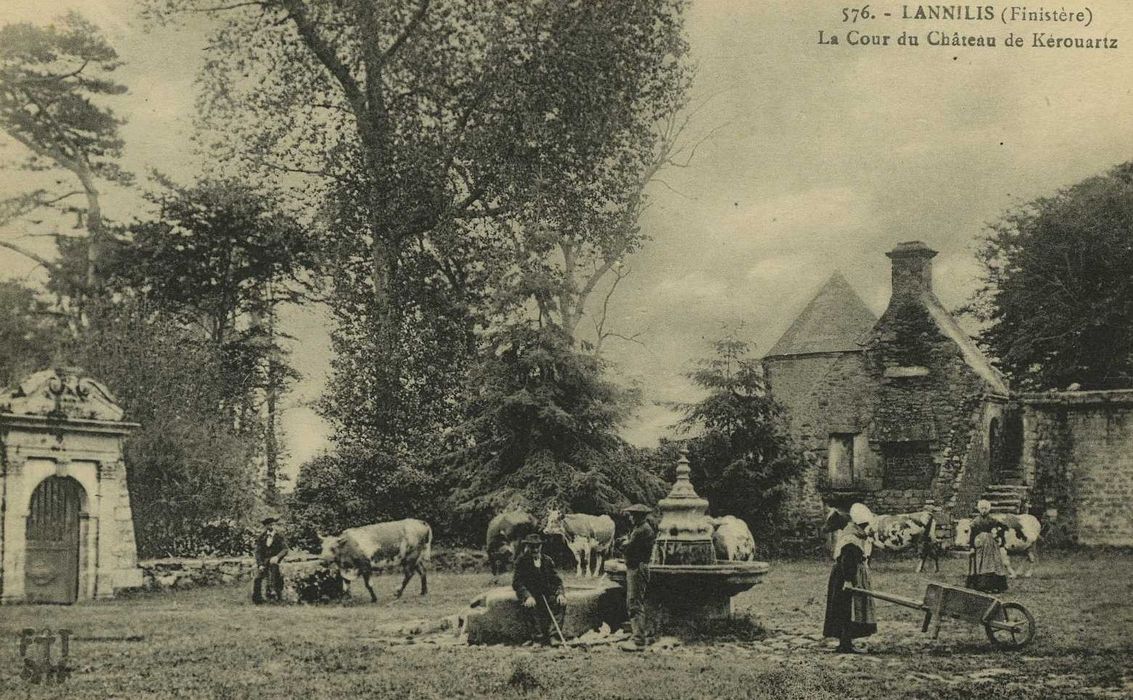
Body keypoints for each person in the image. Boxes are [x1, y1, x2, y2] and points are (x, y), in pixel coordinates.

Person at [823, 503, 877, 654]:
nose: (865, 528)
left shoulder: (853, 534)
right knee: (845, 609)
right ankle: (845, 643)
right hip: (845, 577)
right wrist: (848, 580)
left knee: (845, 609)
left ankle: (845, 642)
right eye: (864, 525)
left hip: (847, 575)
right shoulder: (851, 539)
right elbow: (847, 560)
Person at [512, 534, 567, 646]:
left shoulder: (547, 561)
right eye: (532, 547)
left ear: (541, 546)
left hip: (546, 595)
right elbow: (517, 582)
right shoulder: (521, 562)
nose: (535, 549)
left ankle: (554, 637)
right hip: (531, 595)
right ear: (527, 547)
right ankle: (537, 638)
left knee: (560, 603)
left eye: (538, 546)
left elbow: (557, 581)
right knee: (530, 606)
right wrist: (527, 596)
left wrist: (560, 594)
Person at [620, 503, 656, 652]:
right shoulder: (643, 529)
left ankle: (638, 641)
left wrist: (621, 544)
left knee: (634, 603)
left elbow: (628, 548)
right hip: (639, 567)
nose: (631, 518)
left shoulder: (640, 530)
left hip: (636, 568)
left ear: (638, 516)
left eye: (633, 515)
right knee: (637, 602)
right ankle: (640, 635)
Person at [965, 499, 1009, 593]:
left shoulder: (992, 519)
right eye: (982, 508)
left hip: (991, 544)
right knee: (981, 563)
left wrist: (998, 536)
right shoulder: (976, 521)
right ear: (979, 509)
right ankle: (982, 585)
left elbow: (1003, 527)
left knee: (994, 562)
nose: (983, 510)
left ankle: (996, 586)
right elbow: (972, 535)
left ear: (988, 509)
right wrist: (972, 547)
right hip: (980, 543)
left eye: (985, 508)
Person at [252, 516, 289, 604]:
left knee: (275, 576)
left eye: (273, 524)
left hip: (275, 560)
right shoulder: (262, 536)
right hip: (264, 561)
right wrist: (260, 564)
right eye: (269, 525)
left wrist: (277, 557)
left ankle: (276, 597)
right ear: (266, 526)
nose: (271, 526)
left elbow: (285, 549)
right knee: (258, 578)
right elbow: (258, 552)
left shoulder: (279, 536)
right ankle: (257, 599)